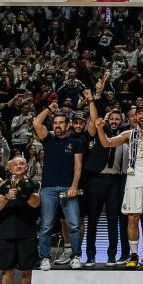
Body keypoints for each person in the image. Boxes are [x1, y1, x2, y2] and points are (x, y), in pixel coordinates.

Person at [97, 101, 143, 269]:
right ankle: (134, 255)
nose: (142, 116)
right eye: (139, 113)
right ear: (135, 116)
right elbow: (107, 143)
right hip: (134, 176)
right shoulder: (129, 134)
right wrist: (99, 128)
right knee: (132, 217)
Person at [32, 102, 83, 270]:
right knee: (46, 225)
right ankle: (45, 258)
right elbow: (36, 123)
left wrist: (74, 186)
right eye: (55, 123)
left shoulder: (75, 141)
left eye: (61, 123)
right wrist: (48, 109)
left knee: (74, 225)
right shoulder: (48, 138)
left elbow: (78, 165)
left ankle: (75, 256)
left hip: (69, 188)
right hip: (48, 188)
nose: (58, 125)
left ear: (67, 125)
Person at [0, 154, 40, 284]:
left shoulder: (34, 183)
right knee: (7, 270)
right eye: (15, 164)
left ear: (26, 167)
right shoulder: (2, 185)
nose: (19, 166)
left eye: (22, 164)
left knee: (27, 270)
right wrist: (7, 196)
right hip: (6, 232)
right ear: (9, 168)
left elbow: (35, 203)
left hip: (27, 231)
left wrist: (23, 192)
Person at [82, 98, 127, 267]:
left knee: (112, 219)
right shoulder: (102, 131)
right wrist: (93, 101)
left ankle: (111, 256)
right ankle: (90, 256)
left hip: (115, 181)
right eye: (112, 119)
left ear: (121, 121)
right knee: (92, 219)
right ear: (107, 120)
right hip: (96, 180)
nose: (114, 121)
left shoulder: (124, 137)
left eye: (118, 119)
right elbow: (94, 120)